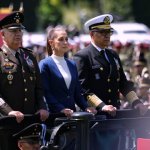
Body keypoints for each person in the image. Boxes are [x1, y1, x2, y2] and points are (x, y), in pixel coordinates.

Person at [73, 14, 148, 116]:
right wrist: (102, 106)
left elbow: (123, 83)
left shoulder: (113, 55)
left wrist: (136, 102)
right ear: (92, 34)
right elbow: (83, 89)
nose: (107, 35)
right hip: (96, 116)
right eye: (102, 32)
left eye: (109, 32)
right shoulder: (83, 56)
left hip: (116, 112)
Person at [0, 11, 49, 149]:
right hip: (7, 123)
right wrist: (9, 111)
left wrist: (42, 107)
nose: (18, 34)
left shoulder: (29, 56)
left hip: (29, 123)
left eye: (20, 30)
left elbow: (38, 87)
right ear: (3, 34)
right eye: (13, 31)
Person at [39, 25, 97, 117]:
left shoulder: (72, 64)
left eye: (66, 39)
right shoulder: (44, 64)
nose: (65, 42)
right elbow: (45, 93)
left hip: (72, 116)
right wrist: (60, 108)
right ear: (51, 43)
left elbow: (77, 92)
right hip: (54, 116)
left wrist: (86, 107)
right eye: (61, 39)